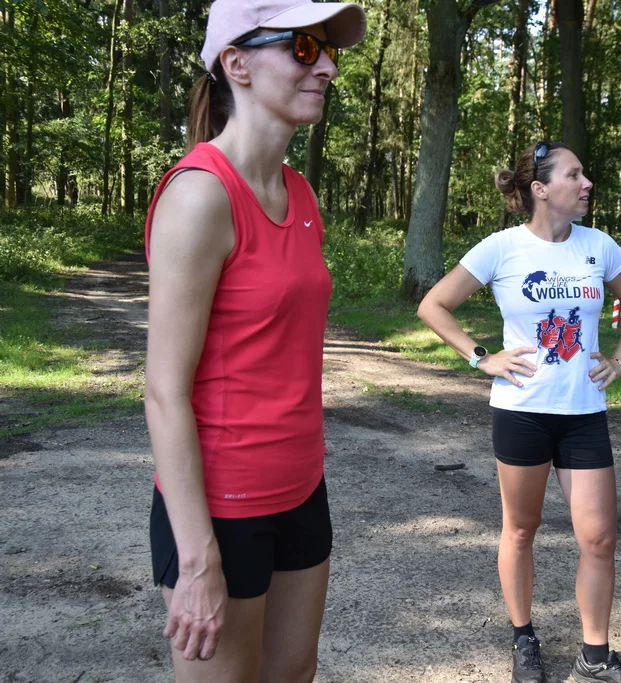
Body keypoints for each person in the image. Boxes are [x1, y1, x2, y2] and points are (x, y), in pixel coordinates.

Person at [143, 2, 365, 681]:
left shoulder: (300, 192)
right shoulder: (201, 195)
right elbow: (163, 390)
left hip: (302, 489)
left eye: (328, 50)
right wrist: (197, 555)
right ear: (236, 64)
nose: (326, 65)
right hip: (221, 507)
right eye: (303, 48)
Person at [418, 141, 621, 683]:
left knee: (599, 537)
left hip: (583, 412)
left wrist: (619, 358)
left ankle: (594, 654)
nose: (587, 182)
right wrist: (481, 357)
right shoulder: (501, 248)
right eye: (575, 174)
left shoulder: (599, 247)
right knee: (521, 530)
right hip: (522, 410)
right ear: (541, 189)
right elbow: (433, 304)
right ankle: (524, 639)